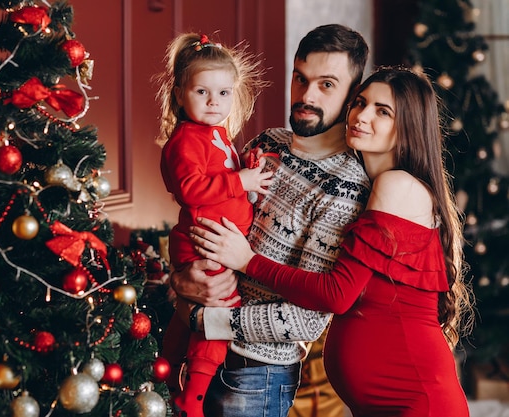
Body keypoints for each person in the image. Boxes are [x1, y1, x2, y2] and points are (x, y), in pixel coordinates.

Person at [190, 66, 475, 417]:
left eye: (382, 111)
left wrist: (248, 261)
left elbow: (336, 295)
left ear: (408, 128)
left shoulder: (397, 185)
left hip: (415, 400)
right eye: (360, 102)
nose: (361, 115)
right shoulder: (369, 186)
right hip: (378, 404)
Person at [170, 24, 371, 417]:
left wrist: (203, 318)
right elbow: (199, 219)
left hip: (254, 374)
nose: (306, 96)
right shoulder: (266, 143)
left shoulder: (345, 188)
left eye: (327, 85)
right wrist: (181, 280)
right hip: (192, 349)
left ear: (352, 96)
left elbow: (307, 320)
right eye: (301, 78)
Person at [155, 32, 272, 417]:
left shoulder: (217, 135)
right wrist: (242, 181)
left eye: (223, 93)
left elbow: (223, 183)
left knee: (192, 310)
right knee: (219, 316)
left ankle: (168, 371)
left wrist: (246, 168)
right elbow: (191, 189)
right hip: (206, 241)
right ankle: (193, 401)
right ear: (179, 93)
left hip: (216, 236)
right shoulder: (186, 140)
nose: (213, 102)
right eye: (202, 91)